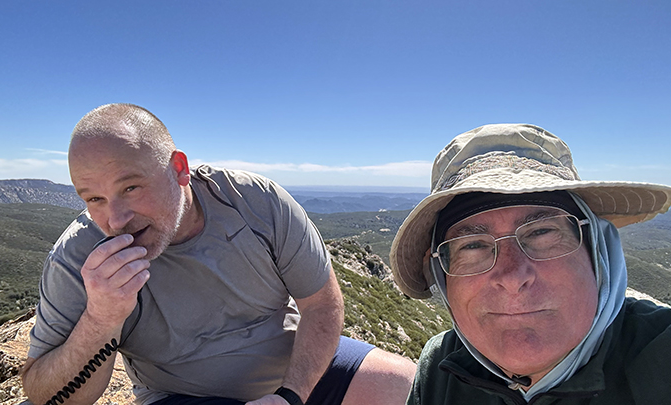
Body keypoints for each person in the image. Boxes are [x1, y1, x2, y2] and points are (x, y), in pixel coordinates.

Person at [21, 103, 416, 405]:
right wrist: (101, 317)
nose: (116, 219)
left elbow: (322, 304)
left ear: (179, 169)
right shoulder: (79, 257)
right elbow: (47, 394)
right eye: (94, 199)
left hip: (295, 375)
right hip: (183, 396)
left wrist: (290, 396)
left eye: (131, 188)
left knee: (409, 386)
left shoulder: (255, 202)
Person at [389, 123, 671, 404]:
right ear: (444, 277)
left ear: (597, 251)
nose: (513, 277)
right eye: (473, 245)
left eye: (541, 232)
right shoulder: (440, 369)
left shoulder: (665, 355)